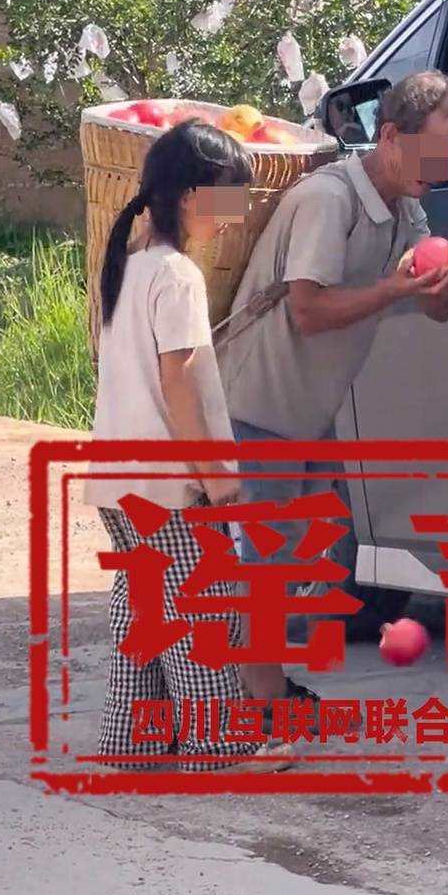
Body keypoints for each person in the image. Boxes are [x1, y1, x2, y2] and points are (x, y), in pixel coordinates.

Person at [217, 70, 448, 711]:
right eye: (435, 147)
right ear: (390, 138)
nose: (444, 165)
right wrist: (396, 288)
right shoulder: (329, 200)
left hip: (306, 412)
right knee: (268, 561)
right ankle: (262, 701)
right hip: (257, 403)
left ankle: (248, 684)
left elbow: (434, 308)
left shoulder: (405, 208)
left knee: (298, 552)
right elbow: (308, 310)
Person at [85, 119, 290, 771]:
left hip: (118, 481)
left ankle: (134, 739)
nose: (234, 215)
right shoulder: (178, 277)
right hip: (170, 485)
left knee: (143, 606)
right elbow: (180, 384)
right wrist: (217, 474)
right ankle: (219, 745)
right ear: (189, 195)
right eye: (229, 197)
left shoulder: (126, 266)